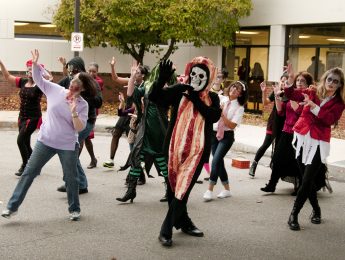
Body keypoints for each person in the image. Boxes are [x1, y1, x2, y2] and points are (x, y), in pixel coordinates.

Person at [1, 49, 91, 221]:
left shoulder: (82, 105)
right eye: (71, 85)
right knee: (29, 172)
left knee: (71, 178)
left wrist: (73, 112)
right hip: (46, 141)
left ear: (82, 89)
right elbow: (39, 79)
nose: (72, 89)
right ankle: (12, 207)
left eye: (76, 88)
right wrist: (35, 64)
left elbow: (79, 128)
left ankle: (74, 209)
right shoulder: (55, 91)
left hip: (67, 145)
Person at [149, 58, 221, 247]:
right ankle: (184, 221)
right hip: (173, 149)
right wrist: (161, 80)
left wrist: (195, 98)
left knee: (183, 189)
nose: (196, 79)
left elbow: (213, 116)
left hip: (196, 153)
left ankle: (165, 229)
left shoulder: (212, 97)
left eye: (201, 76)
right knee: (174, 191)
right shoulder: (179, 90)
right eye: (194, 74)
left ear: (209, 78)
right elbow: (154, 97)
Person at [285, 65, 345, 231]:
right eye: (330, 79)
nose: (332, 83)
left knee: (307, 179)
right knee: (306, 178)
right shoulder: (312, 92)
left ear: (340, 85)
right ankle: (317, 210)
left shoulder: (339, 103)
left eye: (336, 81)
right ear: (325, 79)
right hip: (302, 138)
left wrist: (313, 107)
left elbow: (329, 119)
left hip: (319, 142)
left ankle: (294, 214)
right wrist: (291, 80)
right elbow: (291, 94)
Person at [116, 62, 172, 202]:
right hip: (145, 129)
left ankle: (169, 190)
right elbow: (130, 94)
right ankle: (131, 190)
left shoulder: (167, 89)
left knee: (160, 159)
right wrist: (132, 76)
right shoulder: (146, 86)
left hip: (159, 130)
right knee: (136, 157)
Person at [260, 71, 313, 195]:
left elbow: (298, 111)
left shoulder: (308, 97)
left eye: (303, 81)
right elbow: (280, 111)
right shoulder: (292, 94)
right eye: (298, 80)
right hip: (286, 131)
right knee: (277, 158)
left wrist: (290, 95)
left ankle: (300, 185)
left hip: (300, 134)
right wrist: (277, 97)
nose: (299, 83)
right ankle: (272, 185)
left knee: (298, 161)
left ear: (308, 84)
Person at [56, 56, 103, 194]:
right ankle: (80, 184)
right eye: (69, 68)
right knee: (70, 151)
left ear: (78, 68)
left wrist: (81, 94)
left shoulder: (89, 82)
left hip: (87, 121)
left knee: (68, 151)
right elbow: (56, 89)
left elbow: (99, 101)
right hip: (73, 121)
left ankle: (73, 183)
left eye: (72, 68)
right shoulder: (69, 80)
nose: (70, 71)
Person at [0, 59, 51, 176]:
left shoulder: (40, 84)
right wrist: (1, 63)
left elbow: (49, 78)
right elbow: (7, 77)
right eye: (28, 69)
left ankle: (25, 166)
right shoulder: (23, 82)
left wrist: (38, 66)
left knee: (20, 140)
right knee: (26, 143)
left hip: (33, 118)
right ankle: (35, 165)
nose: (29, 72)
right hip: (22, 117)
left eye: (32, 70)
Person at [203, 81, 248, 201]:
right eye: (233, 86)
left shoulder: (239, 107)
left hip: (226, 136)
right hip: (214, 133)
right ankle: (227, 189)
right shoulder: (221, 98)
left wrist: (222, 114)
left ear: (240, 94)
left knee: (216, 160)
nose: (234, 89)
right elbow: (210, 92)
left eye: (238, 89)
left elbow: (232, 125)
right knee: (219, 162)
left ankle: (210, 189)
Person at [103, 57, 148, 168]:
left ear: (142, 75)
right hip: (127, 112)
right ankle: (111, 160)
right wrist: (112, 66)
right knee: (116, 133)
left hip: (135, 115)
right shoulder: (130, 80)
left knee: (132, 144)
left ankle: (138, 171)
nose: (135, 74)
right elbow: (115, 78)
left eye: (137, 73)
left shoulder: (145, 86)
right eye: (134, 72)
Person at [248, 75, 287, 178]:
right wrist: (264, 91)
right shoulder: (276, 91)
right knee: (266, 144)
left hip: (286, 124)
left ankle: (278, 170)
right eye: (282, 81)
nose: (283, 83)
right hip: (274, 122)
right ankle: (254, 164)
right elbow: (265, 103)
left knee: (280, 147)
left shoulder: (292, 94)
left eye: (286, 81)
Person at [85, 62, 104, 169]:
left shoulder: (98, 82)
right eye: (90, 71)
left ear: (97, 72)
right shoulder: (84, 81)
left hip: (91, 113)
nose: (91, 73)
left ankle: (74, 162)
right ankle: (93, 159)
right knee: (85, 138)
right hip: (81, 112)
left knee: (84, 137)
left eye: (94, 71)